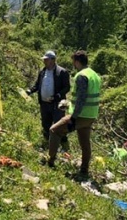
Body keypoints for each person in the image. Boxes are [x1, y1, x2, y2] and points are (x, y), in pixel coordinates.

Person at [45, 50, 101, 179]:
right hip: (91, 115)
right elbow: (87, 97)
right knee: (85, 142)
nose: (73, 65)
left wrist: (73, 118)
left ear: (77, 61)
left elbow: (81, 98)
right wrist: (69, 104)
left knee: (54, 130)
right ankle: (84, 170)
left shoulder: (81, 76)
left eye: (73, 62)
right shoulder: (95, 75)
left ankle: (50, 161)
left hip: (80, 115)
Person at [26, 50, 71, 150]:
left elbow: (67, 87)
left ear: (53, 60)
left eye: (46, 60)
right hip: (44, 104)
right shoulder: (42, 71)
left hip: (57, 104)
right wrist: (30, 91)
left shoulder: (62, 72)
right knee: (46, 126)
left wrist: (58, 95)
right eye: (44, 60)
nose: (44, 61)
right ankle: (47, 147)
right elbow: (37, 85)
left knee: (59, 126)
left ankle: (65, 148)